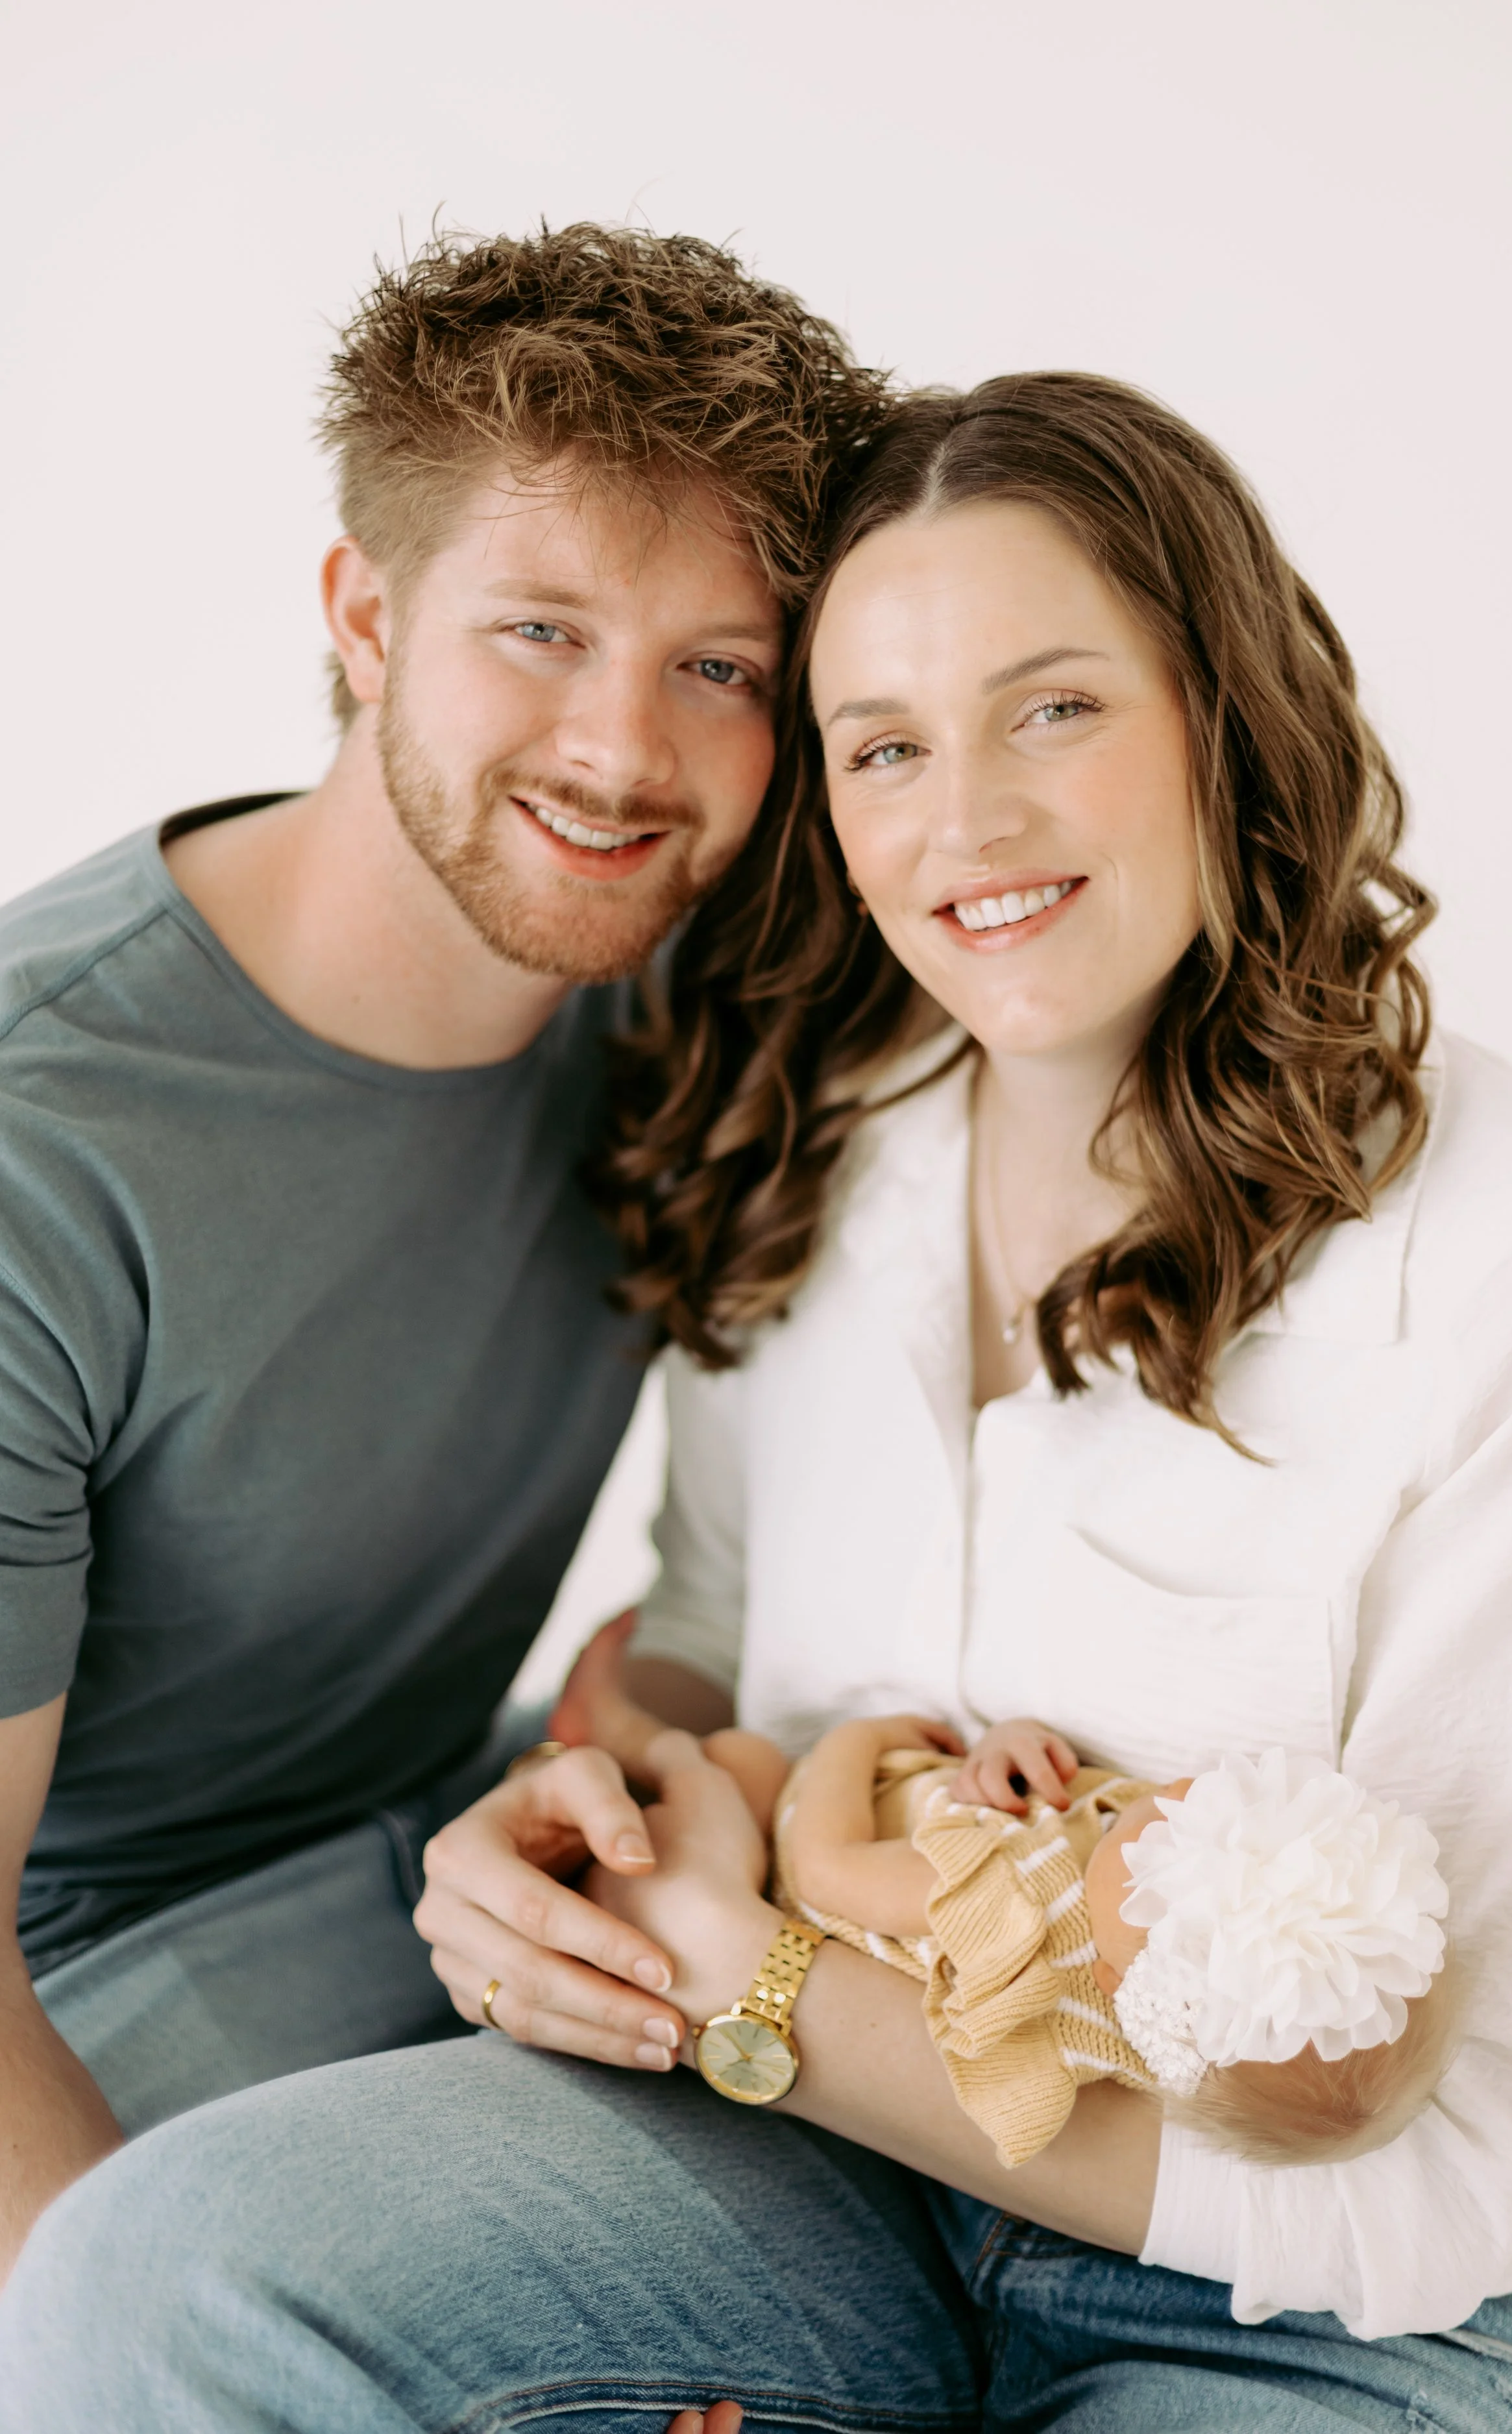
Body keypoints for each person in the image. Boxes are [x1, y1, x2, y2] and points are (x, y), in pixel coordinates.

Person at [6, 373, 1512, 2431]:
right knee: (158, 2274)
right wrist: (575, 1826)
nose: (968, 823)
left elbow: (1449, 2167)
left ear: (1224, 710)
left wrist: (747, 1978)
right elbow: (698, 1647)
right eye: (882, 745)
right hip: (825, 2179)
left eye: (1055, 709)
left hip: (1350, 2306)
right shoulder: (828, 1138)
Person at [0, 220, 890, 2280]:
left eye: (718, 665)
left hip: (462, 1862)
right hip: (101, 1998)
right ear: (364, 612)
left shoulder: (698, 984)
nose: (625, 752)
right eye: (543, 628)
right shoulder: (49, 1143)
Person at [559, 1622, 1455, 2170]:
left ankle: (622, 1739)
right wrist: (1006, 1753)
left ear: (1117, 1973)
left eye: (1177, 1855)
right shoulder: (1140, 1976)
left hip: (781, 1854)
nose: (1184, 1800)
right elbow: (1032, 1805)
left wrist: (856, 1742)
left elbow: (828, 1865)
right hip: (906, 1818)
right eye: (1233, 1814)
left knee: (735, 1762)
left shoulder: (1012, 1918)